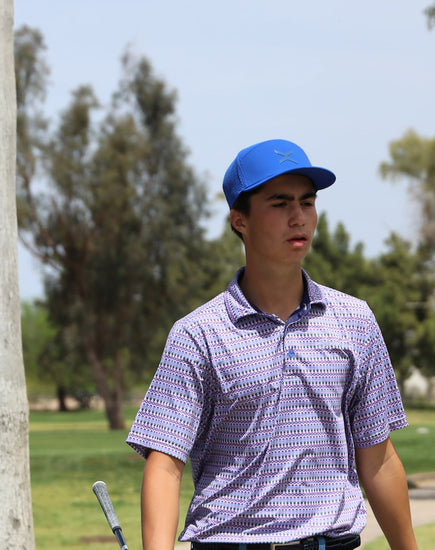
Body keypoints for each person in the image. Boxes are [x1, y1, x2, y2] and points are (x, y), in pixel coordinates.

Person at [127, 139, 418, 550]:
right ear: (240, 220)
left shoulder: (355, 321)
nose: (298, 217)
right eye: (280, 204)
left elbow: (379, 460)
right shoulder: (198, 334)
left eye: (307, 202)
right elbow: (165, 465)